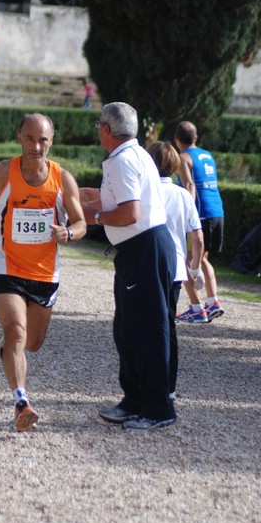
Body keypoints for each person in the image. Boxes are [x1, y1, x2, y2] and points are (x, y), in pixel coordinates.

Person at [0, 113, 86, 432]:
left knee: (31, 343)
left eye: (43, 139)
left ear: (52, 141)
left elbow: (81, 223)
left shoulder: (63, 179)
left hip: (45, 273)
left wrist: (68, 233)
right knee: (16, 332)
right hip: (7, 267)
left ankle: (9, 348)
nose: (36, 146)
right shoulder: (0, 172)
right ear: (19, 137)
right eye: (30, 138)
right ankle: (21, 403)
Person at [80, 102, 176, 431]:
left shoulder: (121, 161)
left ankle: (158, 407)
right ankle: (135, 400)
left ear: (106, 129)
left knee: (145, 331)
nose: (97, 131)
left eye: (98, 126)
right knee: (128, 328)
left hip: (143, 248)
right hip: (143, 248)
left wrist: (92, 216)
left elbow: (129, 213)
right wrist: (78, 198)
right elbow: (116, 200)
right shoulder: (133, 155)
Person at [147, 141, 205, 398]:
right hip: (175, 270)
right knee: (168, 326)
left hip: (146, 264)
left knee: (144, 326)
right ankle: (168, 386)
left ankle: (146, 383)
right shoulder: (183, 194)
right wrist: (195, 269)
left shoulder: (144, 191)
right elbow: (198, 238)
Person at [174, 121, 225, 323]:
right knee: (202, 259)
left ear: (176, 140)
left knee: (184, 261)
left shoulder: (182, 157)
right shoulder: (207, 155)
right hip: (217, 211)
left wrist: (189, 212)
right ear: (195, 138)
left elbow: (188, 184)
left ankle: (196, 307)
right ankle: (213, 301)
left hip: (201, 213)